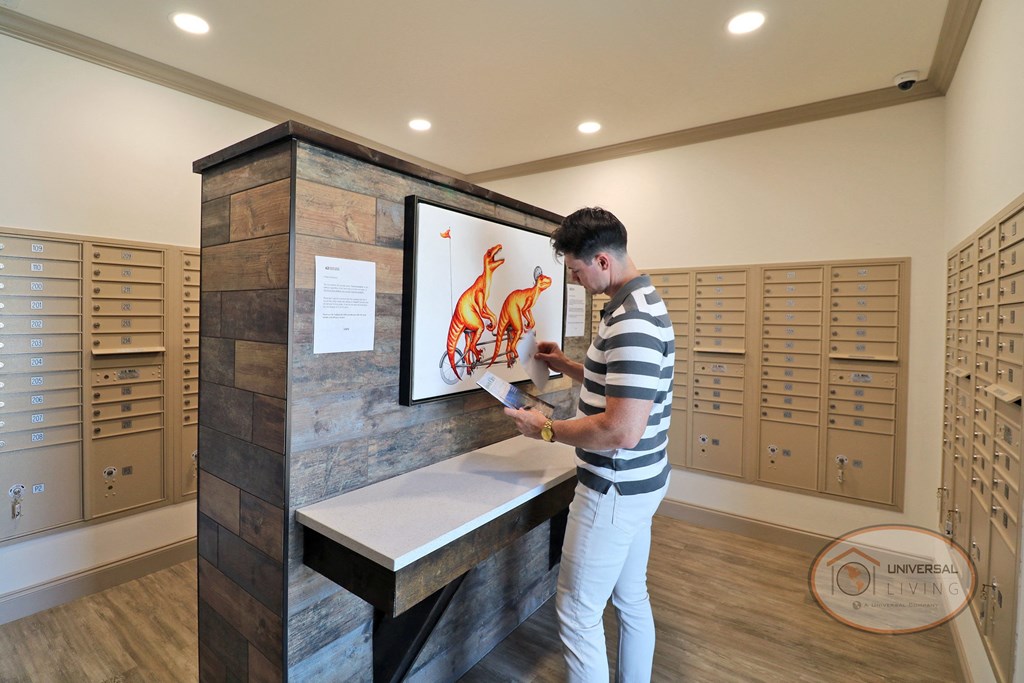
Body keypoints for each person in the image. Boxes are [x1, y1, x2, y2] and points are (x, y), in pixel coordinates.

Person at [504, 207, 675, 682]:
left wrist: (544, 429)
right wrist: (570, 366)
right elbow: (626, 384)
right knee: (630, 597)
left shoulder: (631, 322)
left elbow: (621, 430)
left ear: (602, 260)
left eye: (577, 272)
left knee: (578, 614)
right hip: (643, 483)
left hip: (614, 489)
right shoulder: (638, 303)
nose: (576, 282)